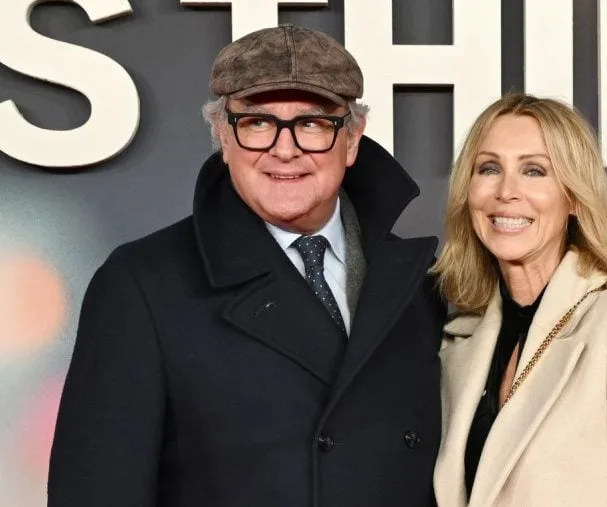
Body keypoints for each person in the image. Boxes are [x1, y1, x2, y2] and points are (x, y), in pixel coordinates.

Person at [48, 24, 446, 507]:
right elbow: (95, 490)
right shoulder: (143, 284)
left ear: (352, 138)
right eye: (257, 123)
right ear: (223, 135)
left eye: (312, 124)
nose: (285, 149)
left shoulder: (420, 282)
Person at [431, 93, 607, 506]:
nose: (506, 191)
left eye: (534, 171)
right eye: (489, 168)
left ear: (574, 197)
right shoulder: (457, 344)